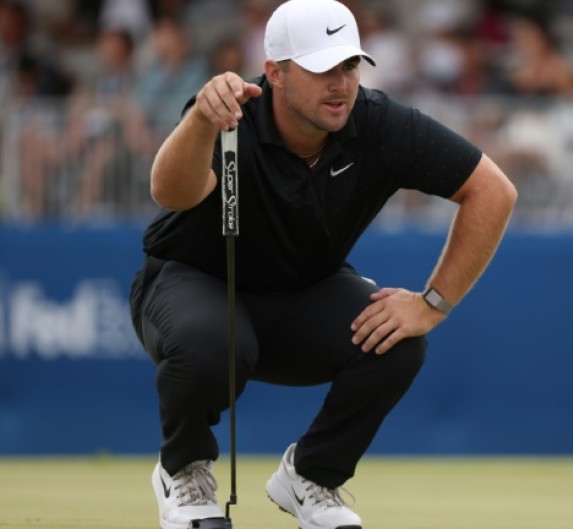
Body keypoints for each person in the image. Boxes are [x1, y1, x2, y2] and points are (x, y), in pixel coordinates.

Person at [128, 2, 517, 529]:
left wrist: (433, 304)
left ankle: (312, 475)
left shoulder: (378, 123)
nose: (340, 84)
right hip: (191, 282)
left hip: (300, 293)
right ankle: (184, 470)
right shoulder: (227, 111)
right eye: (321, 69)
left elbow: (493, 191)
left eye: (350, 66)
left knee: (397, 339)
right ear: (275, 72)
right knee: (213, 343)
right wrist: (199, 118)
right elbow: (170, 194)